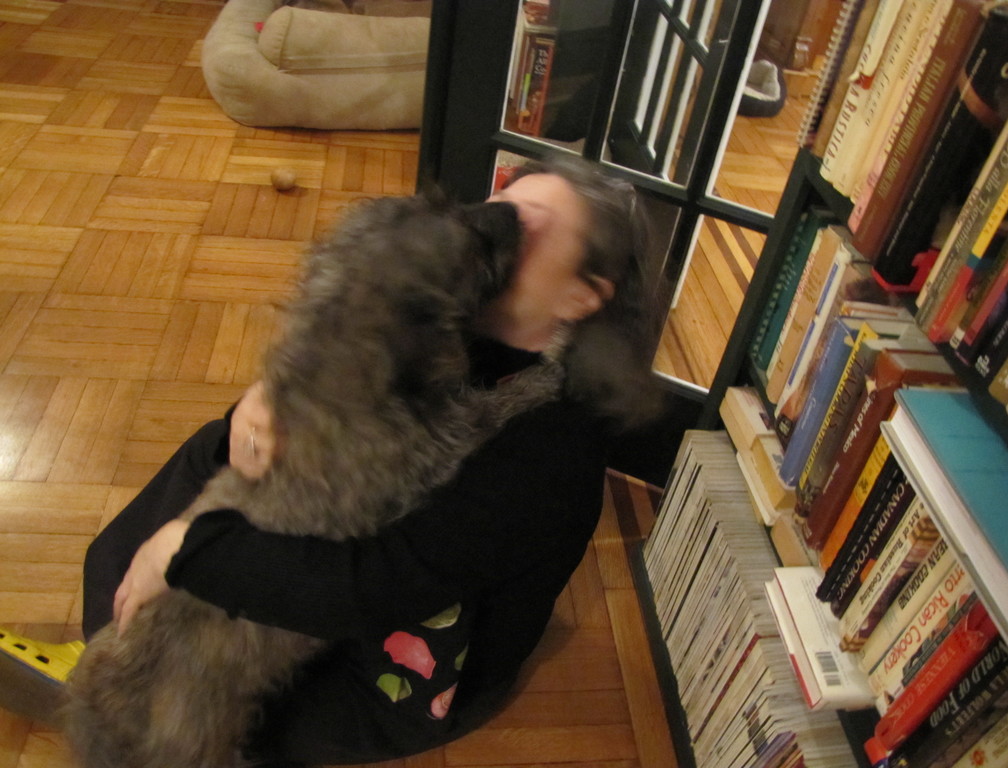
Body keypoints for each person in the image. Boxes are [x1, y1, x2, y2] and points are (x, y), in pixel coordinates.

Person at [0, 155, 663, 765]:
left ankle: (129, 703)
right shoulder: (457, 310)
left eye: (534, 226)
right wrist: (264, 403)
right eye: (501, 204)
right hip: (376, 534)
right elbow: (339, 377)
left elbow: (368, 588)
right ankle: (116, 653)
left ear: (581, 297)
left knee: (212, 684)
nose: (496, 225)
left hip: (404, 649)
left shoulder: (550, 447)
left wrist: (185, 550)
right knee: (217, 448)